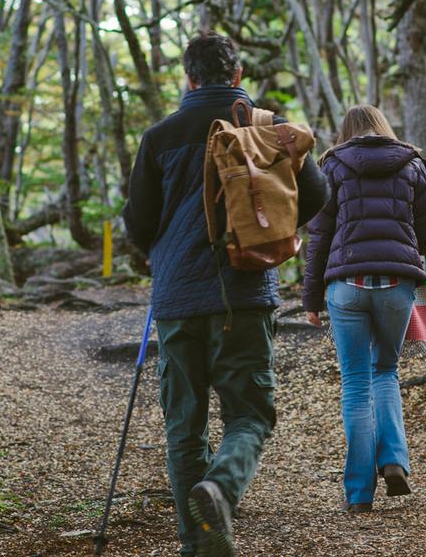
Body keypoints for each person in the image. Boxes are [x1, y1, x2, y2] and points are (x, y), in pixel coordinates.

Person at [122, 30, 329, 557]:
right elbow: (318, 193)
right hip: (245, 290)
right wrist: (272, 229)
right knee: (250, 415)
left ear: (188, 79)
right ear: (238, 75)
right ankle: (220, 489)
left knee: (184, 427)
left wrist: (158, 250)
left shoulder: (160, 137)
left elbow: (138, 222)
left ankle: (199, 544)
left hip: (176, 299)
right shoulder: (269, 129)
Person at [301, 105, 426, 513]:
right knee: (385, 370)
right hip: (397, 284)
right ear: (383, 127)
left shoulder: (332, 165)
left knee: (356, 382)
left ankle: (360, 493)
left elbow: (319, 237)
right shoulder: (413, 165)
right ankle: (394, 459)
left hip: (346, 286)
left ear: (346, 132)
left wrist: (311, 298)